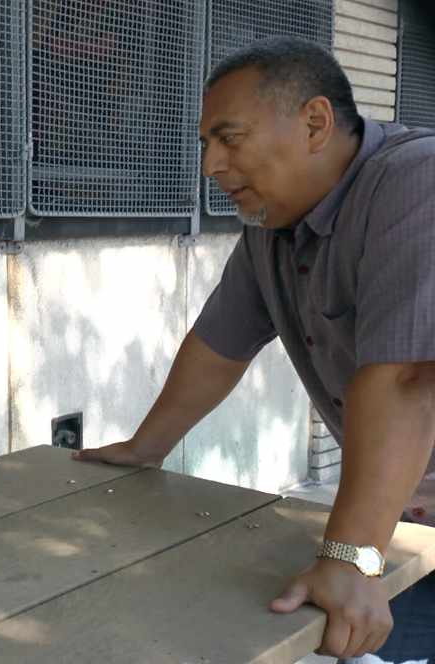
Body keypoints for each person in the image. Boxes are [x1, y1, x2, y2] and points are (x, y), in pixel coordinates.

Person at [74, 37, 435, 662]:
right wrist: (145, 447)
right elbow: (219, 344)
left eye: (229, 138)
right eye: (205, 144)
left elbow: (407, 379)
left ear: (315, 123)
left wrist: (352, 557)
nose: (210, 165)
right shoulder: (274, 224)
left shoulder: (417, 183)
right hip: (408, 519)